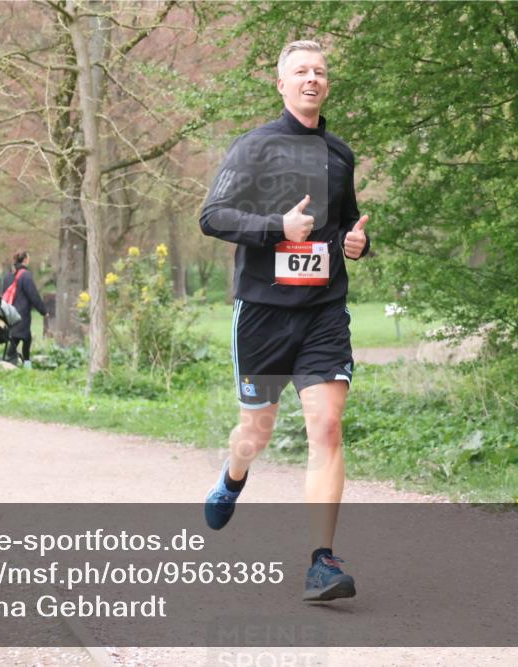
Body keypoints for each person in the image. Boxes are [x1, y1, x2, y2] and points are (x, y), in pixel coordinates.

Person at [199, 40, 370, 602]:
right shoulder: (255, 146)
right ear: (282, 84)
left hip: (323, 312)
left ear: (327, 84)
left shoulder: (340, 154)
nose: (311, 78)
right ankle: (234, 476)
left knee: (327, 426)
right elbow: (213, 216)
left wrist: (358, 243)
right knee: (257, 432)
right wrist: (278, 227)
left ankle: (322, 562)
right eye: (300, 71)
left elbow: (346, 224)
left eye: (319, 71)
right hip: (264, 315)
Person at [2, 250, 47, 368]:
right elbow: (33, 295)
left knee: (25, 338)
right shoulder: (26, 275)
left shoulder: (8, 276)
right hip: (21, 314)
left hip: (9, 312)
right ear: (25, 259)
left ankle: (25, 364)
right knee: (18, 338)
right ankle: (10, 363)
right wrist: (43, 311)